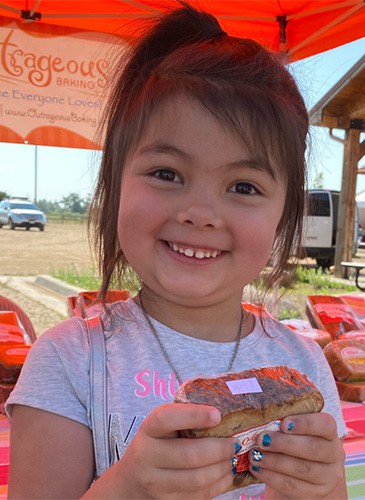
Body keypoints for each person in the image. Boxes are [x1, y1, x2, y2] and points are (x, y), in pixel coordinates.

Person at [7, 2, 347, 499]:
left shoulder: (303, 366)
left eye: (244, 186)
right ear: (115, 183)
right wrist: (125, 487)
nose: (200, 212)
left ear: (284, 215)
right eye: (167, 174)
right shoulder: (70, 360)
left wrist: (320, 487)